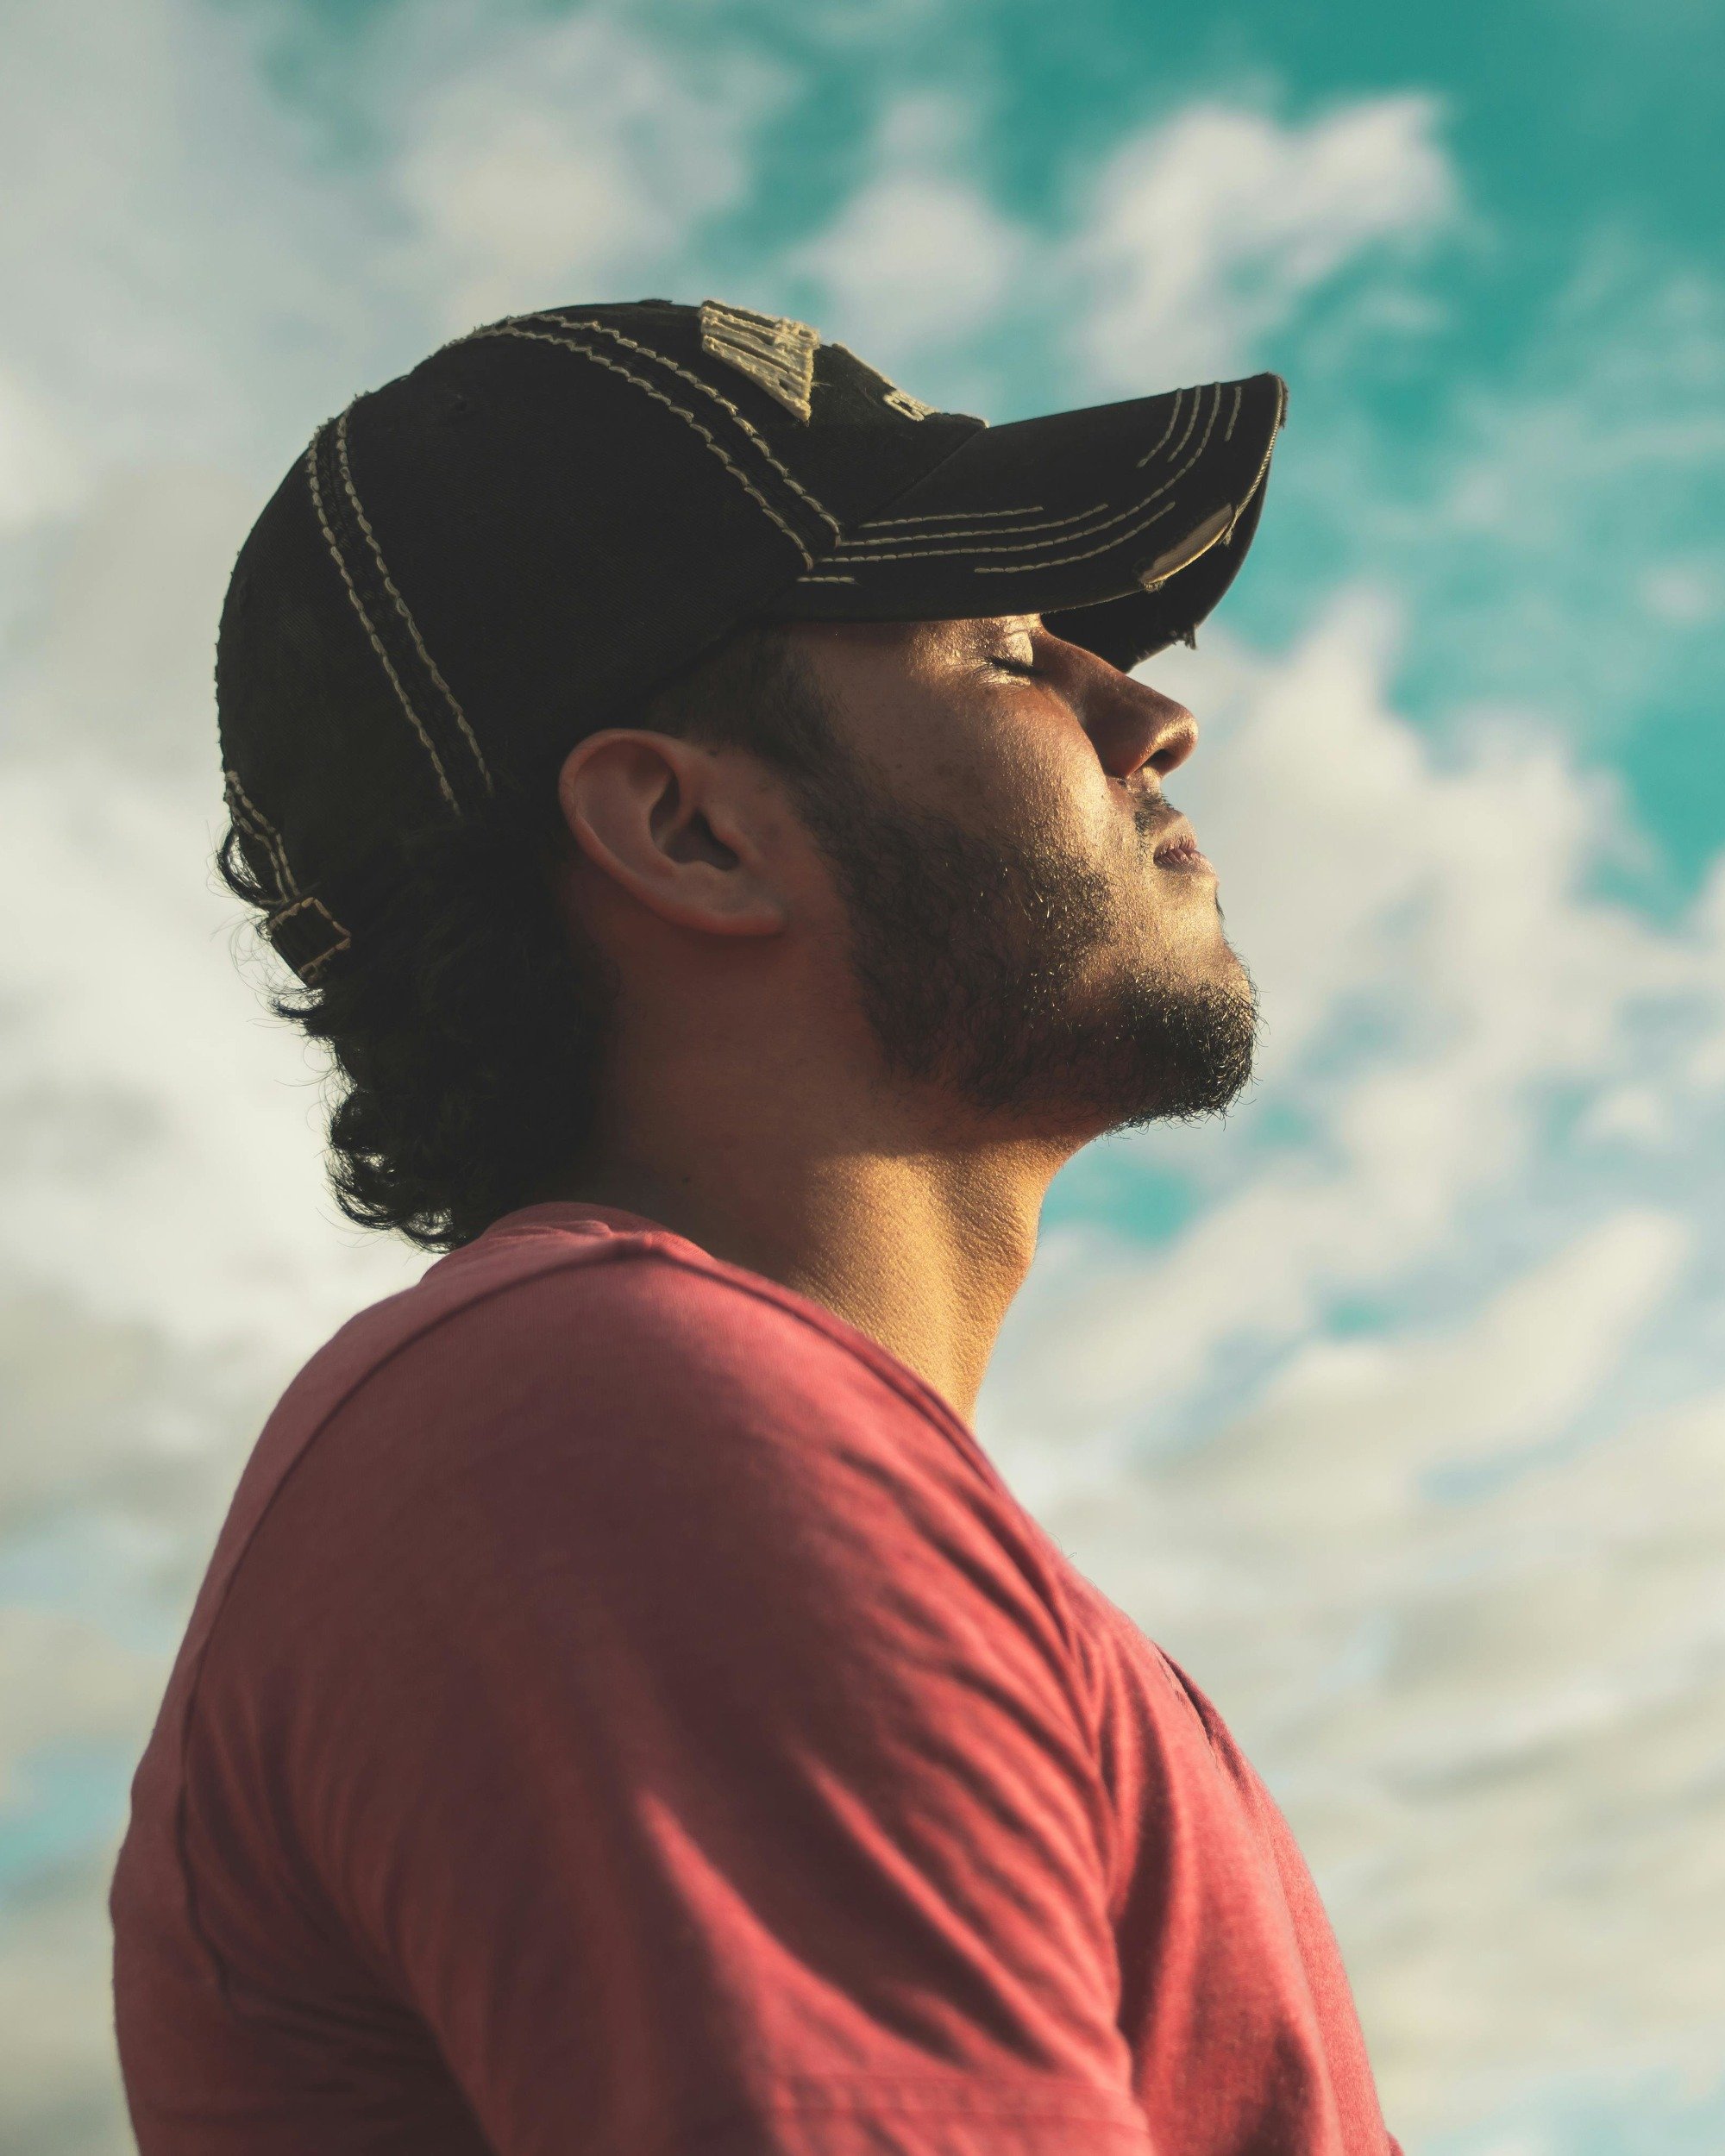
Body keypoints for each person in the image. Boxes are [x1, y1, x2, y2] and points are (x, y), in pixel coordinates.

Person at [110, 298, 1399, 2154]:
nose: (1149, 711)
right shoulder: (614, 1428)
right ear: (689, 831)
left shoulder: (662, 1440)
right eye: (999, 650)